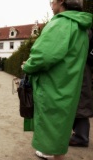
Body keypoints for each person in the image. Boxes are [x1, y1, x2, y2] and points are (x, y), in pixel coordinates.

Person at [22, 0, 92, 159]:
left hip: (53, 84)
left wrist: (27, 66)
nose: (50, 4)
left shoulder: (61, 23)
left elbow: (43, 56)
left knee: (50, 122)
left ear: (61, 2)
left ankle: (50, 152)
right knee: (61, 124)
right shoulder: (81, 27)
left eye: (52, 1)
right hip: (68, 84)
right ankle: (56, 153)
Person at [69, 28, 93, 147]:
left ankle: (81, 137)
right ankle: (80, 136)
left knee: (81, 101)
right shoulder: (85, 28)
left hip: (82, 66)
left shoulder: (84, 29)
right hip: (82, 65)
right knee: (80, 100)